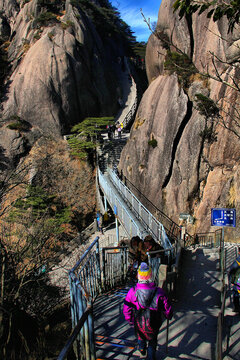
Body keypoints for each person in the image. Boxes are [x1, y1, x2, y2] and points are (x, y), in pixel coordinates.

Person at [123, 262, 173, 359]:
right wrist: (168, 315)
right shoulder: (159, 292)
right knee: (152, 341)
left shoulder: (132, 291)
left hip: (139, 321)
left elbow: (126, 309)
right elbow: (166, 306)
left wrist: (131, 320)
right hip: (154, 322)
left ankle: (142, 349)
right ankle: (150, 357)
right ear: (150, 275)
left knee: (140, 336)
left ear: (138, 276)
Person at [228, 246, 240, 313]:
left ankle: (237, 308)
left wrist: (231, 281)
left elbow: (232, 272)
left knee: (236, 294)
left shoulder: (237, 262)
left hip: (237, 281)